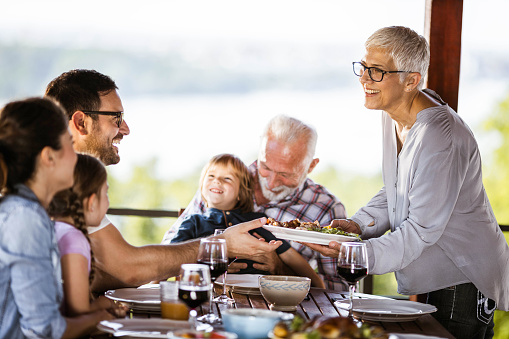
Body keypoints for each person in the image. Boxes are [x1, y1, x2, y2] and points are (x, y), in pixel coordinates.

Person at [303, 26, 509, 339]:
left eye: (377, 72)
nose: (364, 79)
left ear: (411, 80)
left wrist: (356, 255)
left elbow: (420, 229)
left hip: (463, 275)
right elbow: (397, 190)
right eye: (363, 67)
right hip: (431, 271)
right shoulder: (395, 116)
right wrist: (356, 226)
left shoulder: (441, 137)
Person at [45, 69, 282, 293]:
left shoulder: (65, 177)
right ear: (80, 123)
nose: (125, 129)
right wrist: (220, 245)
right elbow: (129, 267)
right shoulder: (58, 184)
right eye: (116, 118)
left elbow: (103, 273)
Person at [164, 115, 347, 290]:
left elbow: (334, 291)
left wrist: (278, 268)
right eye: (265, 167)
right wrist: (209, 259)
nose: (272, 182)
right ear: (261, 150)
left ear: (311, 166)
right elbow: (168, 253)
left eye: (285, 174)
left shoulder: (327, 209)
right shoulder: (226, 179)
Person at [0, 98, 118, 338]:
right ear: (49, 157)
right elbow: (44, 330)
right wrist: (101, 318)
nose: (76, 156)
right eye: (69, 144)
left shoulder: (31, 213)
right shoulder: (25, 219)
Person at [171, 153, 324, 288]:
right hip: (210, 294)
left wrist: (316, 283)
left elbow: (289, 256)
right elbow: (170, 260)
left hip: (259, 296)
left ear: (240, 192)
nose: (217, 181)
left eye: (227, 178)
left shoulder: (256, 221)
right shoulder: (193, 222)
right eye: (211, 176)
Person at [48, 153, 127, 316]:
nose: (108, 202)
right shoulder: (74, 239)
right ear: (91, 203)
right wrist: (106, 303)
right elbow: (79, 311)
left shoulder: (52, 229)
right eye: (106, 193)